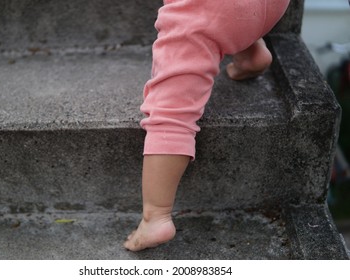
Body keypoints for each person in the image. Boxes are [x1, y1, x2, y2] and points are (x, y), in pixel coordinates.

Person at [124, 0, 291, 251]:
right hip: (271, 8)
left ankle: (155, 216)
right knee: (233, 19)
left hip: (214, 7)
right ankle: (250, 52)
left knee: (172, 109)